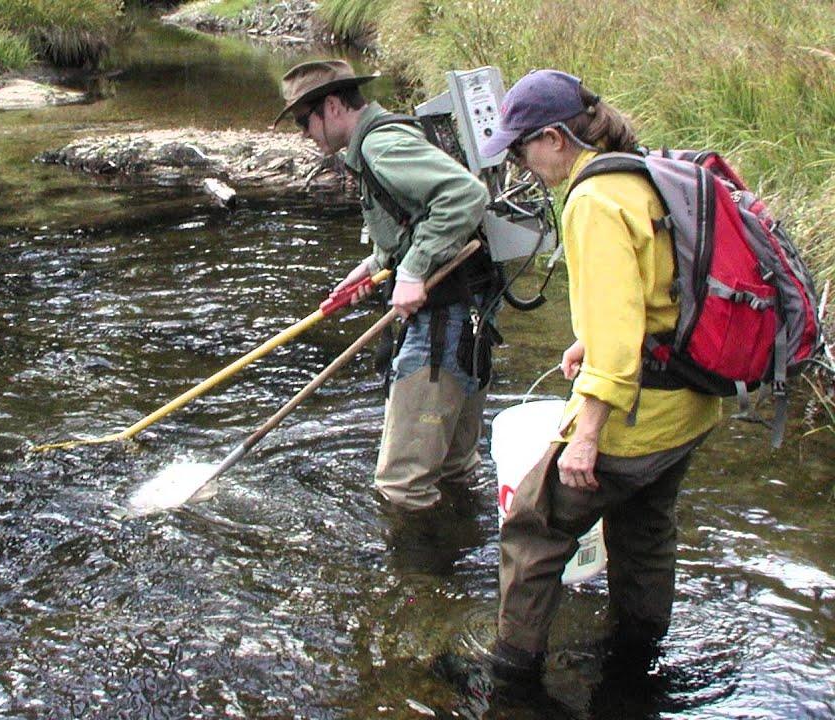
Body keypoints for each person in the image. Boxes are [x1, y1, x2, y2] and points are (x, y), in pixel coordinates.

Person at [479, 70, 721, 681]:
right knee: (645, 529)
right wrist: (589, 340)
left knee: (533, 532)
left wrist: (585, 435)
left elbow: (617, 349)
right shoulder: (641, 174)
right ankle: (637, 658)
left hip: (635, 417)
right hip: (691, 403)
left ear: (556, 138)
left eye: (521, 147)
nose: (520, 163)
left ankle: (510, 675)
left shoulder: (590, 200)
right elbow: (655, 287)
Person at [273, 60, 493, 511]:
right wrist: (376, 264)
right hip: (468, 314)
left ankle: (417, 580)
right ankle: (464, 559)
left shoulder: (382, 146)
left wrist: (411, 272)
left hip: (443, 321)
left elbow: (465, 195)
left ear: (332, 106)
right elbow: (416, 217)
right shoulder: (383, 140)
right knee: (452, 468)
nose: (303, 134)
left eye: (303, 120)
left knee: (401, 487)